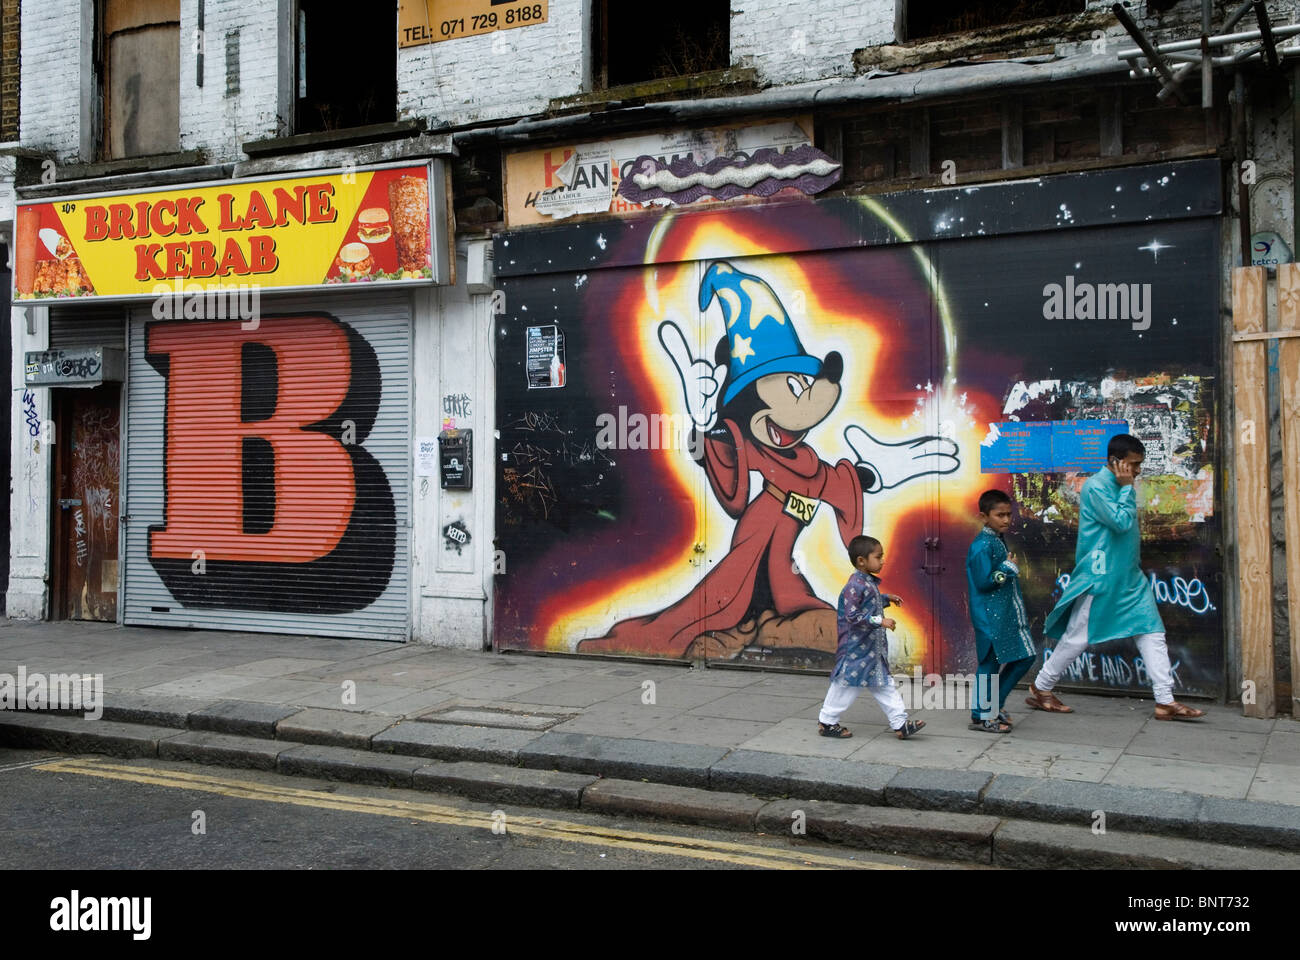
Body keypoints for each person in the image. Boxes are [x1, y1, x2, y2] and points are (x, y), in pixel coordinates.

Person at [1025, 434, 1205, 720]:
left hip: (1129, 577)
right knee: (1077, 638)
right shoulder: (1096, 488)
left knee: (1151, 632)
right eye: (1133, 465)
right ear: (1115, 461)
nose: (1136, 471)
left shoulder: (1119, 486)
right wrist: (1125, 489)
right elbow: (1120, 523)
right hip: (1101, 576)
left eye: (1139, 465)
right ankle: (1042, 687)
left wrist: (1125, 488)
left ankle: (1165, 700)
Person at [817, 535, 925, 740]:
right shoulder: (854, 586)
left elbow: (869, 602)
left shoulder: (866, 583)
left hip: (870, 650)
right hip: (855, 650)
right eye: (878, 556)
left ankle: (900, 723)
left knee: (884, 684)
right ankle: (827, 721)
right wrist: (880, 621)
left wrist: (886, 599)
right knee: (845, 684)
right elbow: (852, 616)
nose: (883, 560)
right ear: (861, 561)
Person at [966, 489, 1036, 733]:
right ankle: (986, 714)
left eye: (1008, 515)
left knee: (1023, 657)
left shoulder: (995, 539)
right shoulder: (982, 546)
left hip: (1001, 614)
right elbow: (984, 581)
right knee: (991, 664)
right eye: (1000, 515)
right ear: (984, 516)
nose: (1006, 520)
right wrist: (1007, 568)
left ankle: (987, 708)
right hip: (989, 617)